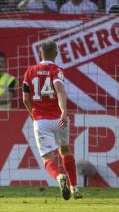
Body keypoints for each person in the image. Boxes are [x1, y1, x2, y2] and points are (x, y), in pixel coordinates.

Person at [22, 40, 82, 200]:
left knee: (48, 158)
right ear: (56, 53)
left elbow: (25, 99)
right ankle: (74, 187)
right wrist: (64, 112)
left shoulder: (30, 71)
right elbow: (60, 91)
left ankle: (59, 177)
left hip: (41, 121)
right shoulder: (56, 70)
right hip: (58, 119)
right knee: (66, 150)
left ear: (40, 52)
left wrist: (33, 114)